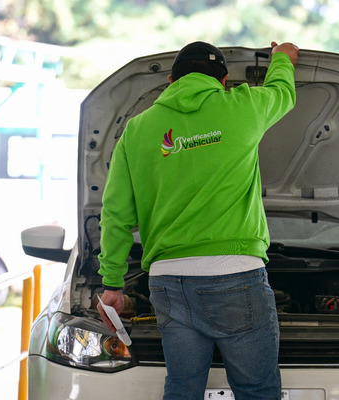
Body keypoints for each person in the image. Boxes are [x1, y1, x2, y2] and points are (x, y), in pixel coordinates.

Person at [97, 40, 299, 400]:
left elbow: (115, 213)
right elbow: (282, 92)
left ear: (171, 81)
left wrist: (112, 283)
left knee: (182, 389)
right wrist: (283, 57)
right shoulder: (244, 106)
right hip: (236, 274)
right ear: (223, 81)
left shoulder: (137, 130)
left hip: (168, 281)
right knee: (257, 391)